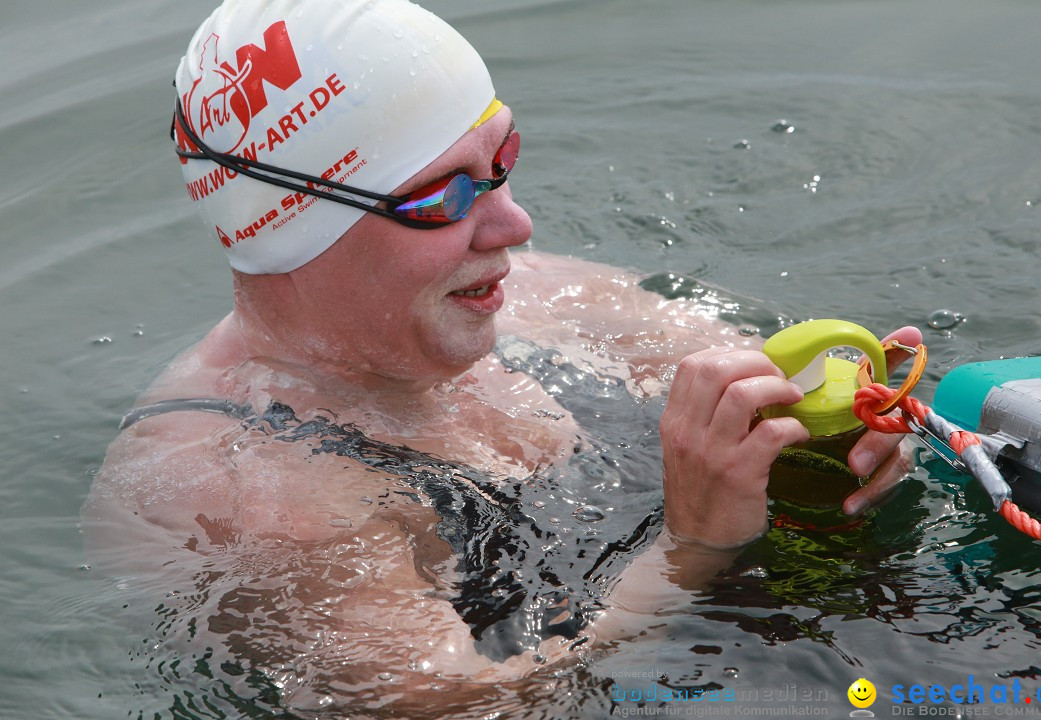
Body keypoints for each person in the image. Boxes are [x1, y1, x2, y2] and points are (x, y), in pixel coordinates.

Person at [83, 0, 921, 711]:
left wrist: (846, 419)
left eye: (500, 160)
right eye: (441, 197)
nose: (513, 225)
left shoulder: (539, 293)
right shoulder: (242, 483)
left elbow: (766, 378)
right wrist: (689, 551)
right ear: (301, 226)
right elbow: (467, 703)